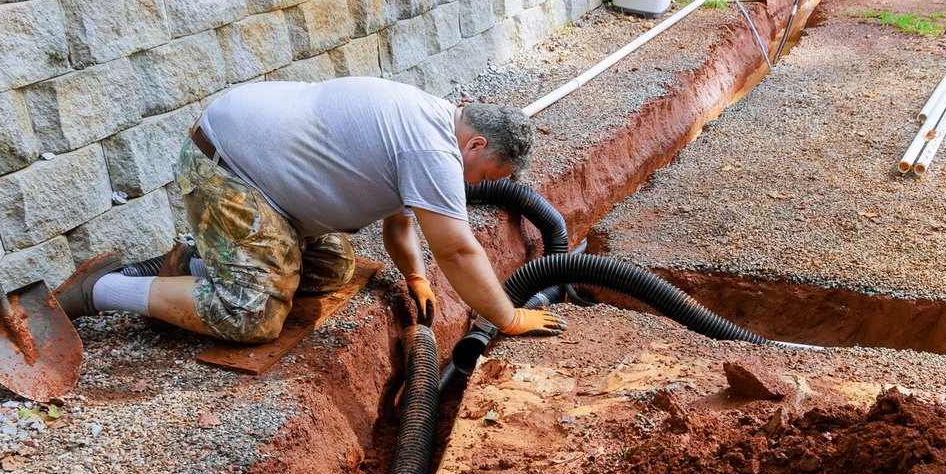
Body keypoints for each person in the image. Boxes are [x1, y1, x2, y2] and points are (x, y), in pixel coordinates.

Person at [56, 77, 567, 344]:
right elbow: (457, 250)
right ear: (476, 144)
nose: (474, 186)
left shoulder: (429, 120)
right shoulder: (431, 148)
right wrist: (506, 317)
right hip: (229, 169)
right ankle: (99, 289)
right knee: (251, 315)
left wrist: (415, 276)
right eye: (483, 175)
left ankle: (196, 264)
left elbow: (400, 222)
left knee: (330, 269)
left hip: (264, 173)